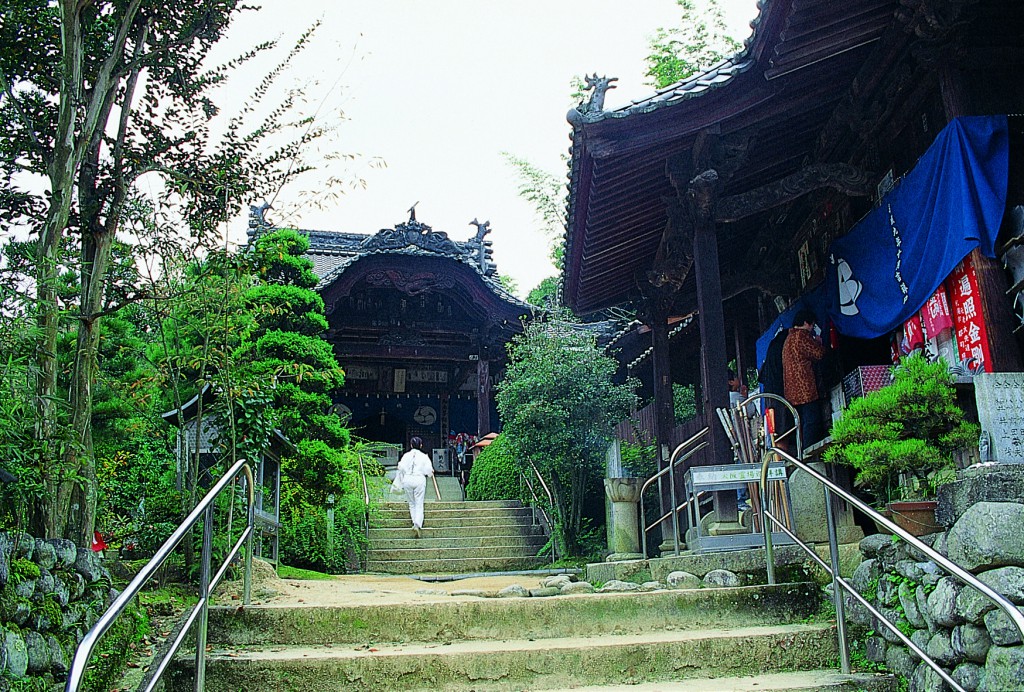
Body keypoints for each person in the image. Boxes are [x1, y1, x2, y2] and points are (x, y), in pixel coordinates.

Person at [782, 309, 827, 448]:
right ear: (806, 323)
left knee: (800, 425)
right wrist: (819, 342)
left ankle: (801, 452)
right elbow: (819, 354)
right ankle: (809, 452)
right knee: (812, 421)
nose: (812, 328)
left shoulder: (788, 339)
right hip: (805, 387)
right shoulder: (802, 336)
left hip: (791, 390)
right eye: (812, 325)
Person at [396, 436, 434, 537]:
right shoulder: (424, 456)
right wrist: (430, 473)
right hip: (419, 479)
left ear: (411, 445)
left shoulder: (406, 455)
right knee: (419, 502)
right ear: (421, 445)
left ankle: (414, 522)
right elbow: (429, 471)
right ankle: (418, 523)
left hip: (408, 479)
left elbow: (400, 467)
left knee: (412, 503)